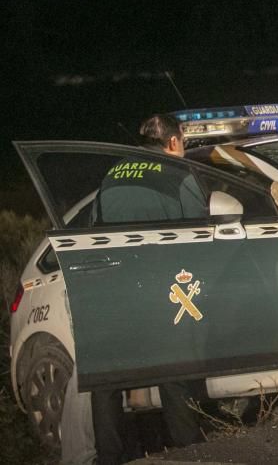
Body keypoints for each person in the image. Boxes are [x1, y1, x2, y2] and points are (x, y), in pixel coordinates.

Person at [90, 114, 205, 464]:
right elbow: (200, 229)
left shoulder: (112, 176)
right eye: (183, 141)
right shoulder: (178, 174)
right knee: (173, 373)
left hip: (115, 288)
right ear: (172, 141)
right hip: (162, 284)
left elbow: (94, 229)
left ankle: (110, 456)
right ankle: (188, 451)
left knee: (107, 376)